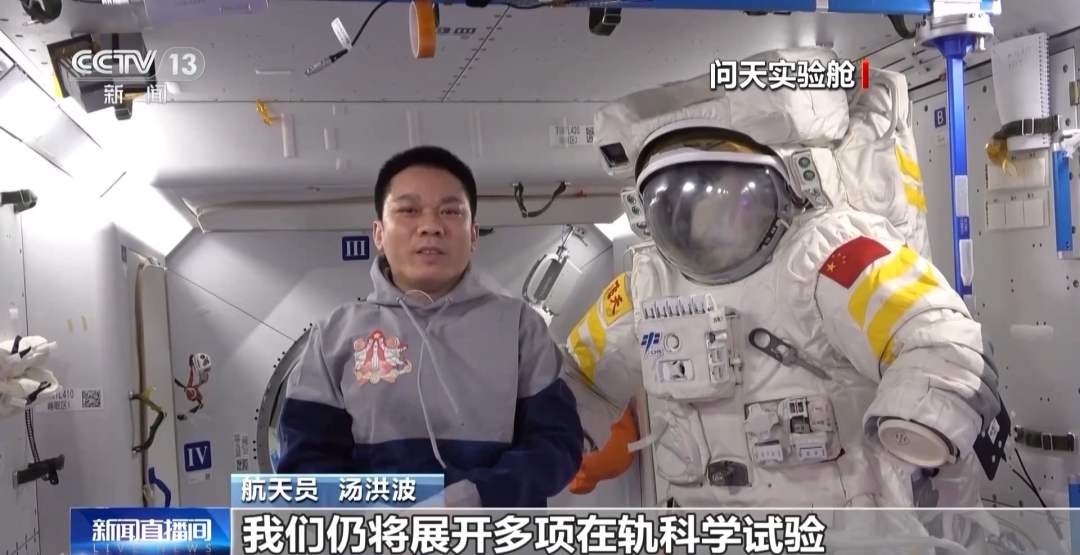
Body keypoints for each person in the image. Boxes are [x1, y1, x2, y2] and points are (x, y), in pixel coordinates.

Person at [564, 46, 1003, 509]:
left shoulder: (827, 257)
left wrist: (921, 417)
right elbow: (580, 375)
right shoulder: (649, 286)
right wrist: (551, 428)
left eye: (724, 199)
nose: (705, 221)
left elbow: (939, 339)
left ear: (785, 185)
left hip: (843, 527)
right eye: (680, 204)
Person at [276, 145, 584, 507]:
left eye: (450, 211)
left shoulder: (518, 327)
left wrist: (475, 498)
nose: (431, 226)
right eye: (408, 210)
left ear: (473, 233)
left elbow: (557, 444)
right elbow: (304, 463)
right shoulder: (335, 335)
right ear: (378, 233)